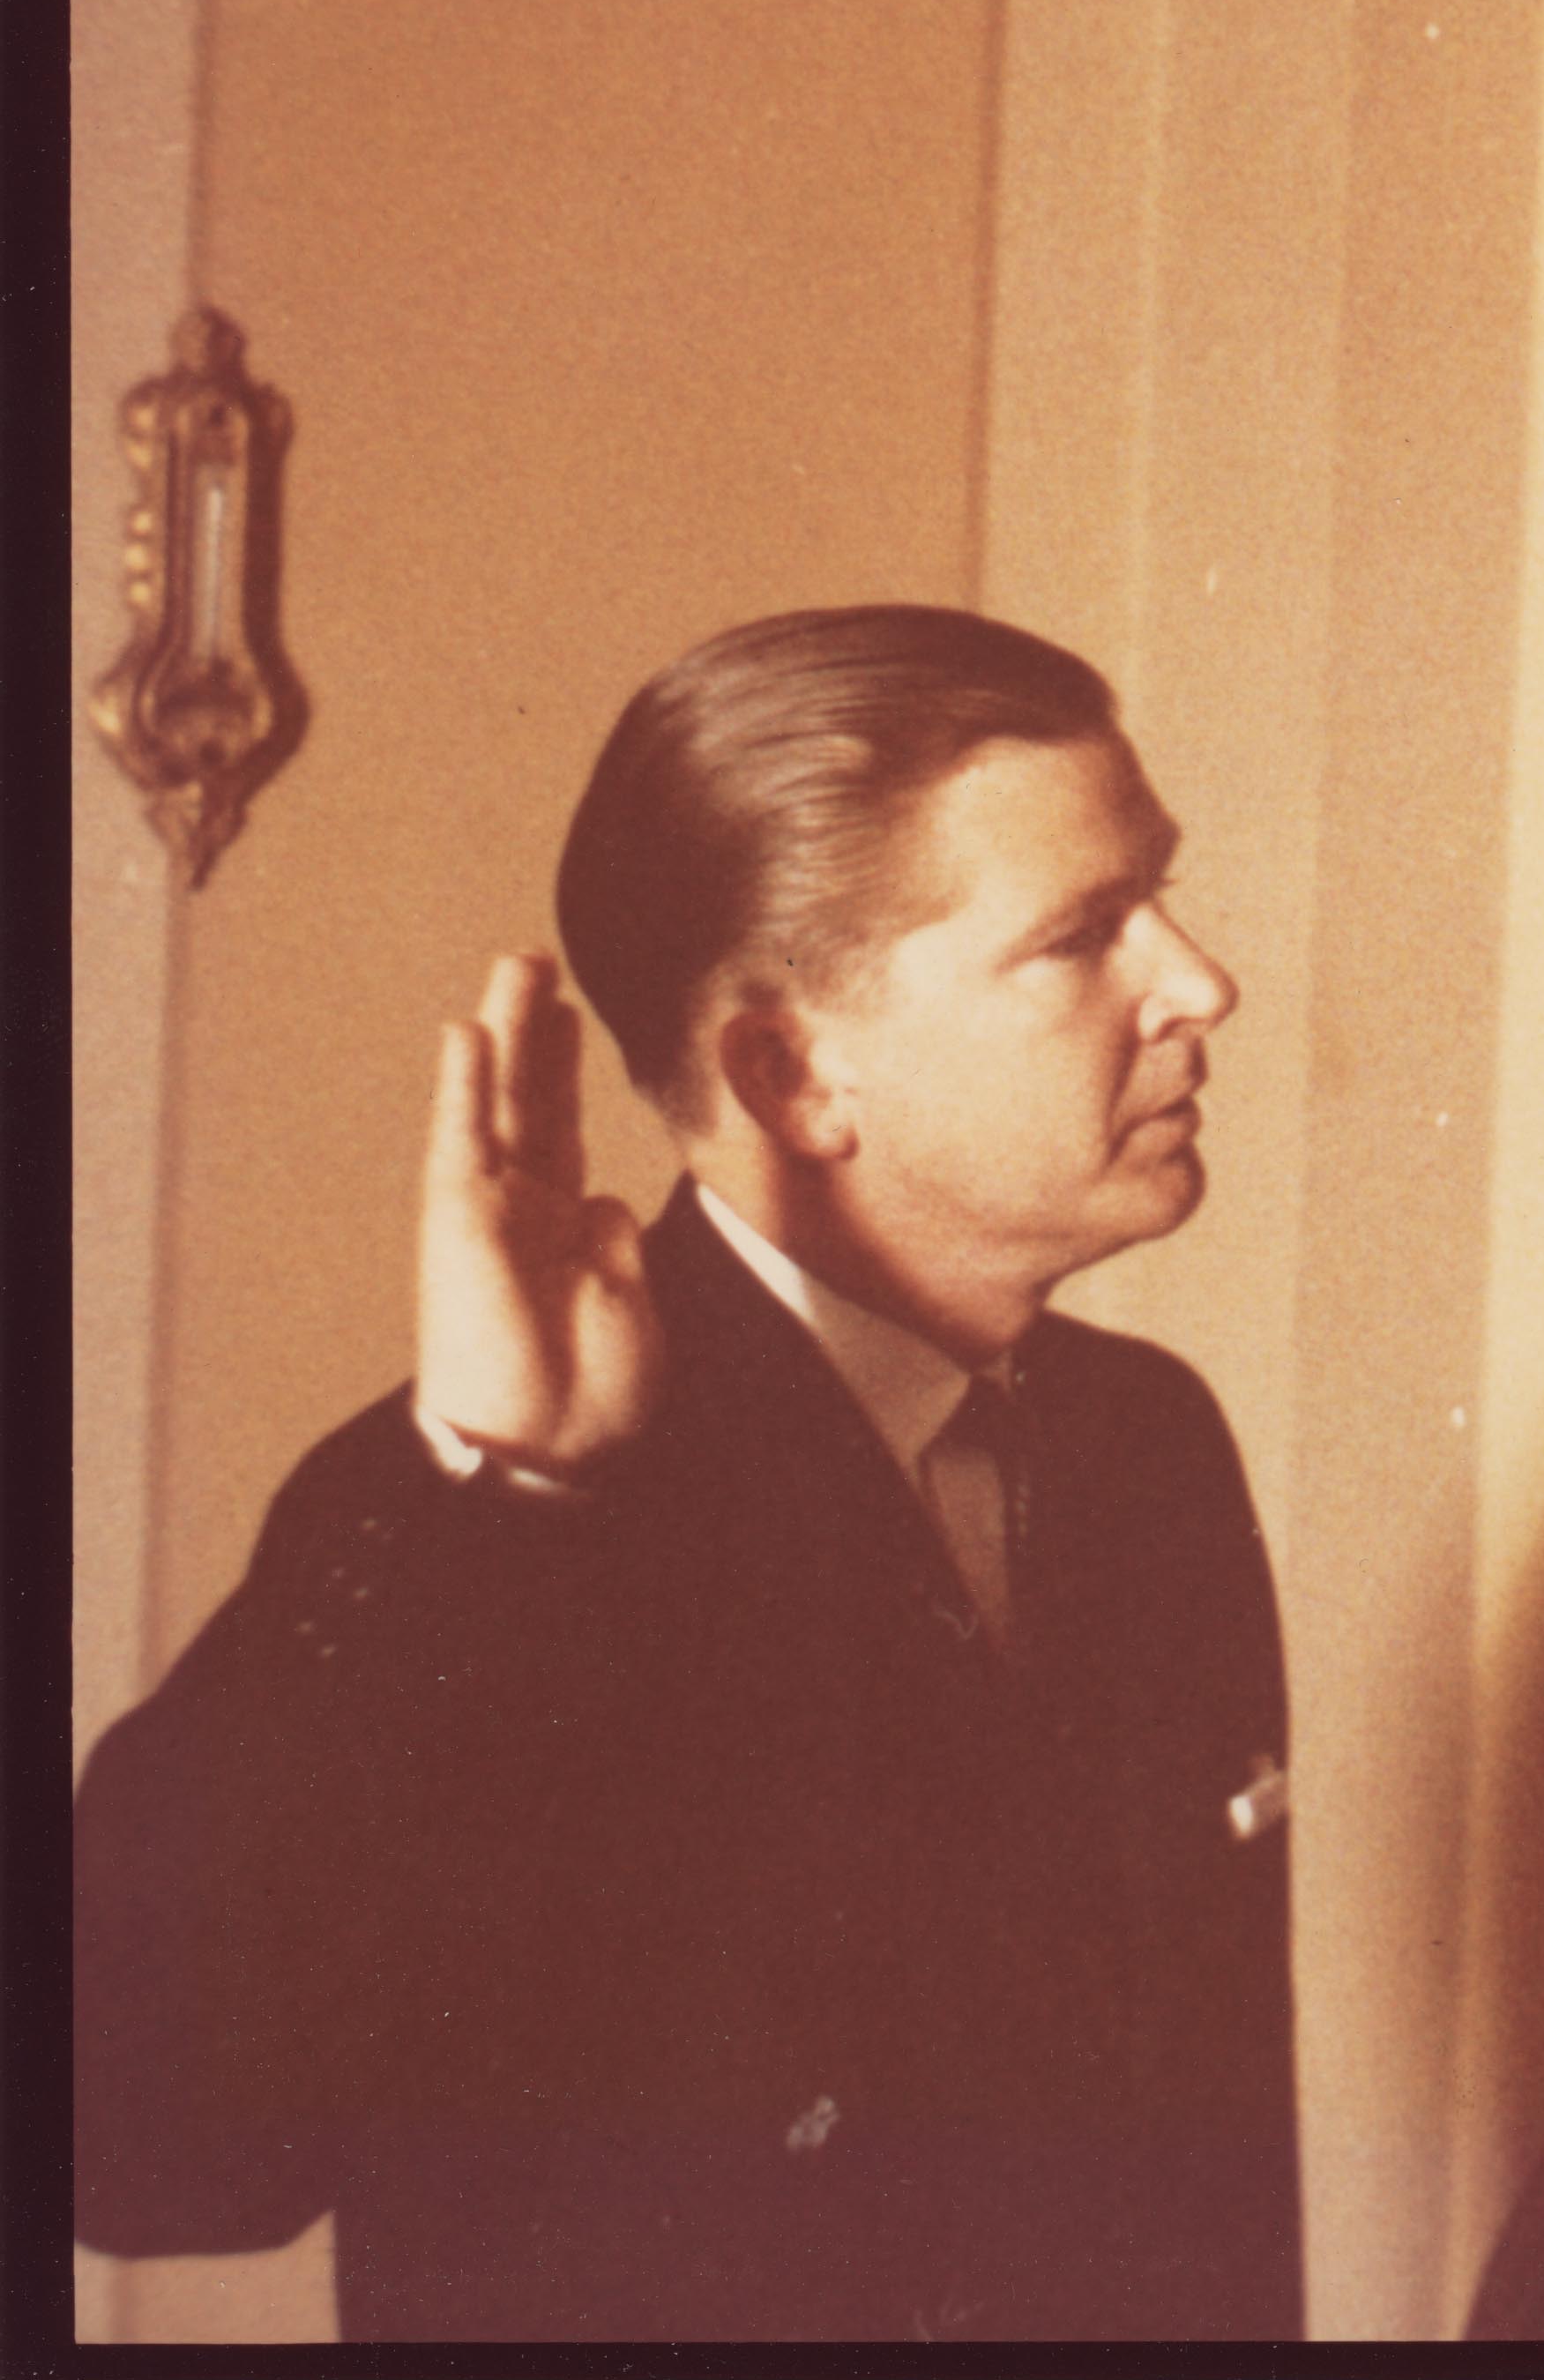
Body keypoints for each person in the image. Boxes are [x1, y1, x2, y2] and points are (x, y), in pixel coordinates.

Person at [76, 607, 1303, 2342]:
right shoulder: (473, 1506)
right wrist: (490, 1493)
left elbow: (1203, 2214)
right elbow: (139, 2151)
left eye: (1156, 898)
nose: (1198, 982)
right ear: (794, 1072)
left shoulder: (1146, 1445)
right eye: (1086, 933)